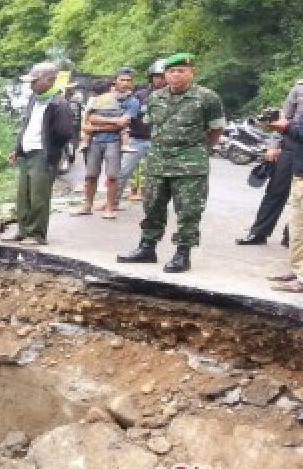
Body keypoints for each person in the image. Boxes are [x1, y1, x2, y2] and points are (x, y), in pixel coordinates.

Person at [117, 53, 225, 273]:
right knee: (152, 207)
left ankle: (182, 253)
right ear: (165, 75)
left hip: (190, 165)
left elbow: (216, 130)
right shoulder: (155, 98)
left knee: (188, 211)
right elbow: (150, 125)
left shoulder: (207, 98)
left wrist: (201, 150)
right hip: (158, 162)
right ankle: (147, 247)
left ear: (191, 72)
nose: (176, 75)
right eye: (171, 71)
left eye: (181, 71)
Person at [4, 62, 77, 246]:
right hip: (27, 153)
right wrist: (18, 149)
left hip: (44, 156)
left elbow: (66, 132)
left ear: (49, 81)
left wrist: (52, 150)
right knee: (24, 195)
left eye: (35, 81)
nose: (31, 85)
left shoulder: (59, 104)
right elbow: (26, 126)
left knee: (39, 196)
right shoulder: (34, 99)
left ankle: (36, 234)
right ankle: (23, 230)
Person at [237, 79, 303, 246]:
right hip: (290, 147)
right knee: (275, 192)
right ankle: (258, 233)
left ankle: (292, 236)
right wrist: (273, 146)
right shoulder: (299, 87)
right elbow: (283, 118)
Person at [78, 70, 141, 218]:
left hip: (114, 140)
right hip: (95, 140)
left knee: (112, 176)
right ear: (115, 81)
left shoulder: (132, 101)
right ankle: (87, 205)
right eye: (122, 80)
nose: (125, 83)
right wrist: (113, 122)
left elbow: (124, 122)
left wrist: (98, 125)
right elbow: (91, 117)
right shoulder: (102, 97)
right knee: (91, 175)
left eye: (128, 80)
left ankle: (110, 207)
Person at [267, 101, 303, 291]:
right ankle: (298, 270)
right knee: (297, 229)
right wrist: (284, 129)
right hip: (300, 172)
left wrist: (287, 126)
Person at [117, 60, 166, 201]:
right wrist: (124, 135)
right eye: (157, 76)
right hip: (137, 139)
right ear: (151, 77)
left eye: (162, 76)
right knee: (122, 171)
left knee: (157, 175)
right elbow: (127, 116)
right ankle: (112, 201)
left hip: (159, 141)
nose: (160, 79)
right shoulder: (140, 95)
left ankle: (154, 203)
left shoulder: (174, 97)